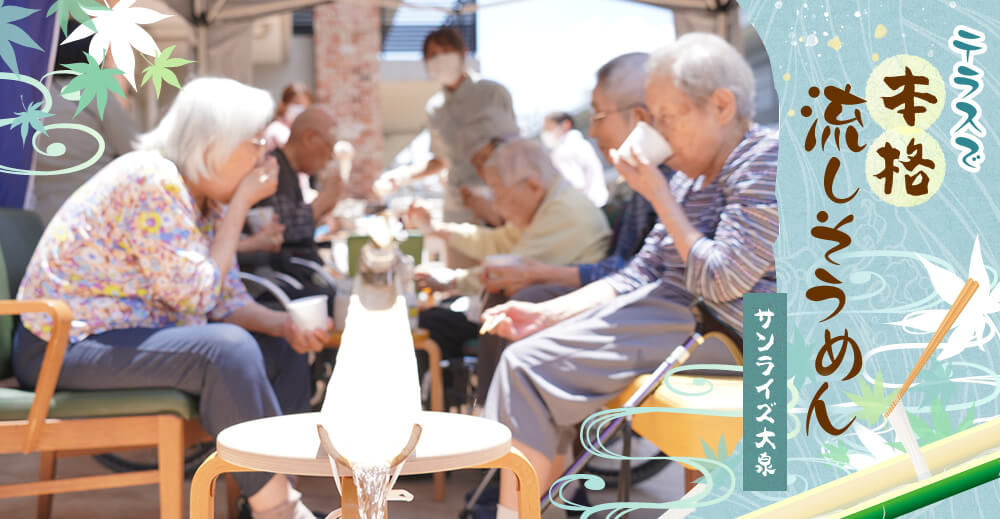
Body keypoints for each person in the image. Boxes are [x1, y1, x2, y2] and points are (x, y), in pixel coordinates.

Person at [480, 33, 779, 518]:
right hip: (677, 313)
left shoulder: (765, 160)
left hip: (731, 329)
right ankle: (528, 506)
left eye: (665, 117)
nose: (653, 130)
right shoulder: (687, 176)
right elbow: (640, 272)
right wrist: (544, 313)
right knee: (522, 358)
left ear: (721, 106)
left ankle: (517, 512)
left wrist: (658, 194)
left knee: (525, 368)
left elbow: (724, 278)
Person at [13, 77, 329, 519]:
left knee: (280, 351)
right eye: (256, 142)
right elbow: (196, 298)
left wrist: (284, 326)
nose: (264, 157)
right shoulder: (151, 178)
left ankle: (259, 498)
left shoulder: (203, 198)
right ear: (214, 143)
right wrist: (240, 206)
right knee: (226, 351)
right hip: (63, 346)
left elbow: (225, 299)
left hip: (124, 338)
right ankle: (279, 509)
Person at [473, 53, 672, 403]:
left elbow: (642, 277)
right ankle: (499, 430)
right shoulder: (650, 180)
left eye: (597, 114)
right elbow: (635, 271)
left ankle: (504, 439)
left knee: (523, 323)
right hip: (641, 301)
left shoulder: (670, 180)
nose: (591, 129)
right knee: (517, 303)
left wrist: (541, 282)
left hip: (665, 322)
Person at [405, 139, 610, 386]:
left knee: (436, 325)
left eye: (499, 192)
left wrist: (453, 280)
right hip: (533, 316)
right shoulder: (548, 204)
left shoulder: (565, 212)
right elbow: (498, 242)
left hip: (556, 322)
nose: (496, 205)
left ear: (532, 186)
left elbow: (508, 270)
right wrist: (437, 229)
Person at [376, 27, 519, 268]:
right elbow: (441, 159)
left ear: (463, 53)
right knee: (461, 282)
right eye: (432, 54)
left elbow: (515, 150)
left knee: (503, 277)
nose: (439, 59)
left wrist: (489, 196)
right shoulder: (435, 108)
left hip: (497, 209)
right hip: (457, 212)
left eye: (446, 50)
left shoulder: (492, 93)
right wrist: (401, 176)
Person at [31, 21, 139, 225]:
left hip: (42, 218)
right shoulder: (95, 94)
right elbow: (132, 147)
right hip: (94, 212)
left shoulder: (35, 98)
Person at [540, 111, 609, 207]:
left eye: (548, 128)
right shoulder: (579, 143)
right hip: (597, 202)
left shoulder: (564, 150)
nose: (546, 132)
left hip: (585, 206)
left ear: (565, 125)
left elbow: (574, 183)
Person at [264, 82, 313, 150]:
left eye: (305, 106)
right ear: (284, 105)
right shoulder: (276, 130)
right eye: (297, 104)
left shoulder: (305, 131)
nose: (301, 109)